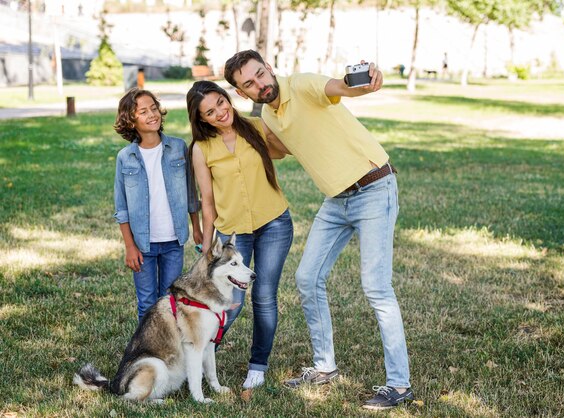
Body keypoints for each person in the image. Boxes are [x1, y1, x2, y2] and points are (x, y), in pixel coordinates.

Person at [224, 50, 412, 410]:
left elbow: (340, 87)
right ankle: (325, 366)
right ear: (242, 93)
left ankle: (399, 385)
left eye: (261, 74)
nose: (260, 84)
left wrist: (366, 80)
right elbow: (280, 149)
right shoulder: (267, 114)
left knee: (376, 287)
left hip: (373, 187)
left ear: (270, 68)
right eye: (248, 83)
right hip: (336, 200)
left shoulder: (303, 84)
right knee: (308, 278)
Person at [186, 81, 294, 390]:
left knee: (264, 297)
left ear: (228, 98)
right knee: (229, 303)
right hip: (234, 234)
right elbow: (207, 201)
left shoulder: (257, 127)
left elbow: (286, 150)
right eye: (210, 112)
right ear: (202, 119)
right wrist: (207, 247)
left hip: (274, 223)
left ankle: (257, 367)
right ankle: (200, 359)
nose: (220, 112)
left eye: (221, 103)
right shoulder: (201, 149)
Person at [113, 88, 201, 323]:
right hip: (143, 245)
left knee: (170, 301)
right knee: (147, 303)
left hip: (173, 241)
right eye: (143, 111)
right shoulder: (125, 157)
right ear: (130, 120)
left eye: (154, 108)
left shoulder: (178, 148)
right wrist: (130, 246)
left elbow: (191, 193)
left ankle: (169, 352)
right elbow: (121, 208)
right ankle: (146, 351)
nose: (152, 114)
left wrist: (197, 228)